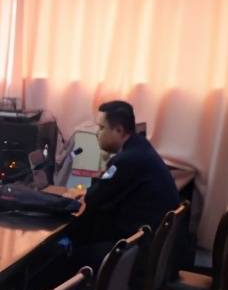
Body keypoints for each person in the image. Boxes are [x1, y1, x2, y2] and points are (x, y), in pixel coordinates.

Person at [69, 100, 181, 268]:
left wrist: (76, 197)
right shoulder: (140, 147)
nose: (97, 134)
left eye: (101, 128)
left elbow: (94, 199)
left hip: (141, 253)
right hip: (155, 247)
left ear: (119, 130)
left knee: (68, 254)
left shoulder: (127, 160)